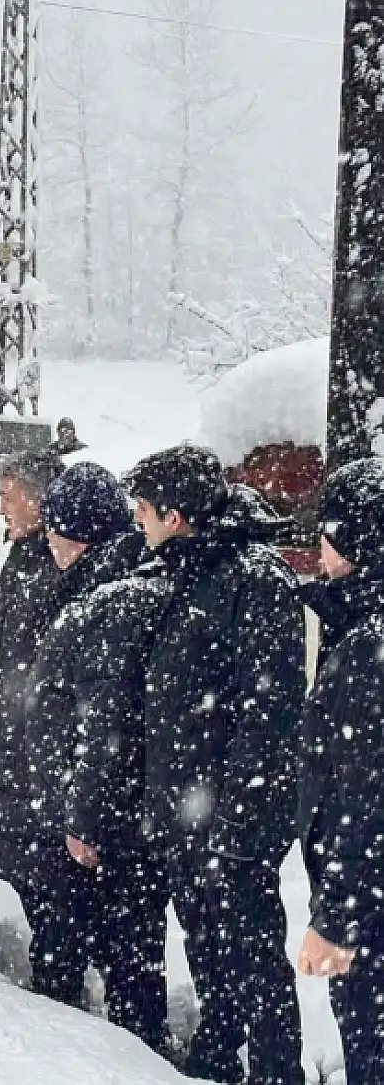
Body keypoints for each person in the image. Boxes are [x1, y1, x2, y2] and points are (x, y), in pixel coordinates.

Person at [123, 445, 305, 1085]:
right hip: (187, 816)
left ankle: (277, 1073)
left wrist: (236, 826)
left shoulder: (255, 580)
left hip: (233, 823)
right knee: (211, 957)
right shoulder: (182, 571)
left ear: (175, 515)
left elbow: (269, 714)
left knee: (257, 967)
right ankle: (217, 1063)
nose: (136, 521)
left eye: (143, 509)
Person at [27, 463, 167, 1051]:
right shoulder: (105, 577)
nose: (44, 539)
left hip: (106, 813)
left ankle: (96, 1056)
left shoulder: (108, 597)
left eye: (53, 528)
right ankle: (127, 1045)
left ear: (78, 533)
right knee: (128, 945)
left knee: (105, 945)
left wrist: (82, 818)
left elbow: (105, 719)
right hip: (115, 804)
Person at [298, 458, 384, 1085]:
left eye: (326, 538)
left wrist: (338, 920)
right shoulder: (360, 625)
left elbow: (363, 792)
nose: (317, 553)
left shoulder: (366, 649)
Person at [0, 449, 70, 972]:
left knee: (48, 877)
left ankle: (58, 983)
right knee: (25, 867)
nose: (1, 510)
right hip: (16, 738)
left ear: (39, 500)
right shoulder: (22, 557)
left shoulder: (52, 565)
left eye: (8, 498)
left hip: (37, 746)